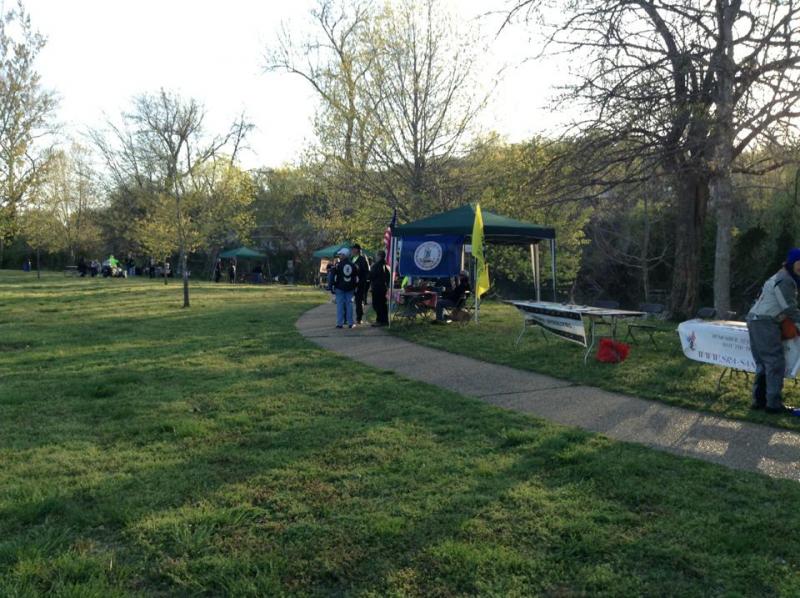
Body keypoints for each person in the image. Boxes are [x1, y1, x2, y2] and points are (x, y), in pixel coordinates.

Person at [746, 248, 800, 414]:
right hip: (765, 321)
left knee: (763, 363)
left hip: (755, 319)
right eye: (799, 263)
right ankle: (773, 405)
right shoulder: (786, 280)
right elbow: (789, 308)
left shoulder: (780, 275)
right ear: (791, 262)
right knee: (774, 363)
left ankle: (759, 401)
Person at [332, 248, 358, 328]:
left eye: (340, 254)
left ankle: (339, 324)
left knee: (340, 306)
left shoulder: (338, 265)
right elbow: (355, 277)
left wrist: (332, 286)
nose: (339, 256)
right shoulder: (353, 265)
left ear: (344, 255)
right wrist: (355, 287)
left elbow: (334, 276)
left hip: (339, 287)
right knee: (349, 305)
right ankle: (350, 323)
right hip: (350, 288)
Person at [369, 249, 390, 326]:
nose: (375, 256)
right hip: (383, 287)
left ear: (379, 256)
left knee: (377, 305)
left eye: (376, 255)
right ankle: (385, 320)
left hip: (377, 288)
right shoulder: (386, 265)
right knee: (383, 304)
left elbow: (371, 276)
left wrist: (369, 271)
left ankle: (380, 320)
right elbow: (388, 277)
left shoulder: (376, 265)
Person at [351, 243, 370, 325]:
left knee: (358, 301)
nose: (352, 250)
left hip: (360, 284)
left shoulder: (362, 259)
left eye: (353, 249)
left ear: (357, 250)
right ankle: (347, 318)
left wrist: (363, 281)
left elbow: (366, 272)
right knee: (349, 301)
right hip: (351, 283)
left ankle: (359, 318)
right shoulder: (351, 258)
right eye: (352, 249)